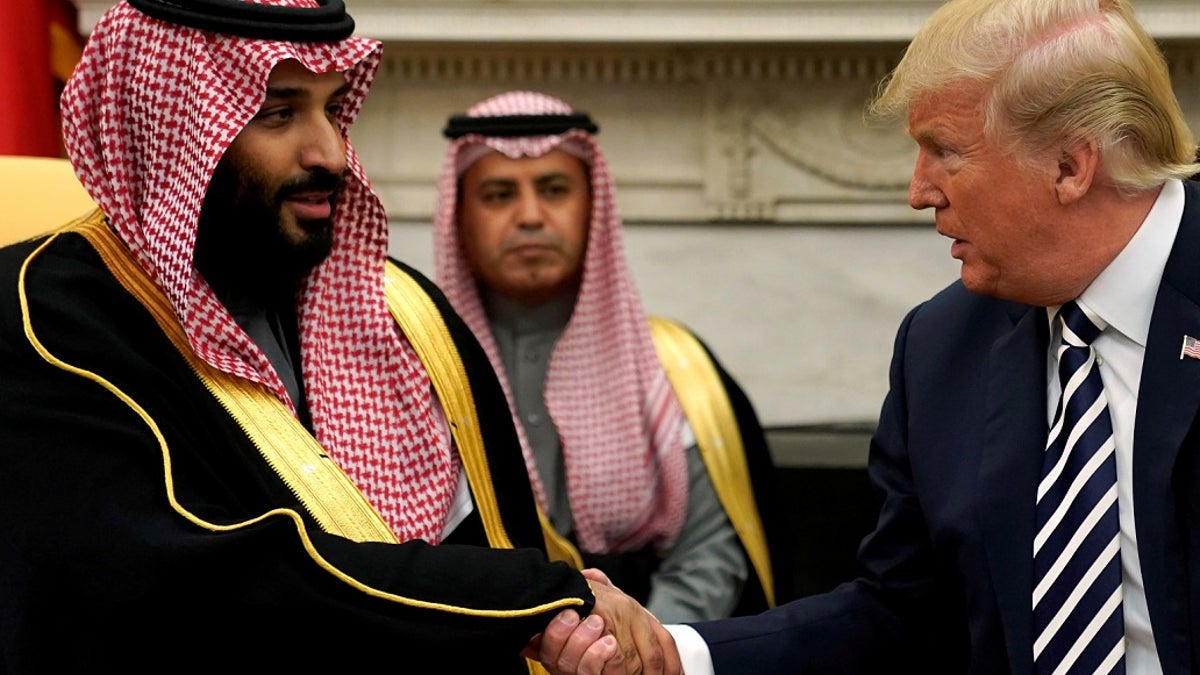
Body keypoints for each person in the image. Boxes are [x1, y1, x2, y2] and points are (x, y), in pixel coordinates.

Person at [0, 2, 680, 673]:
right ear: (171, 129)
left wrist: (577, 629)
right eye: (279, 112)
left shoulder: (405, 316)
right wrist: (536, 598)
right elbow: (204, 575)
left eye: (332, 107)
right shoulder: (45, 314)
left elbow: (492, 544)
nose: (329, 151)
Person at [548, 0, 1200, 672]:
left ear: (1070, 166)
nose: (919, 191)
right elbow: (902, 613)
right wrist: (671, 653)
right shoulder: (942, 347)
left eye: (944, 151)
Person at [431, 90, 786, 625]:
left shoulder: (675, 367)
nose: (530, 216)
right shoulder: (412, 370)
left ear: (592, 207)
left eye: (553, 189)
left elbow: (710, 553)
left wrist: (635, 653)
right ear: (459, 217)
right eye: (500, 194)